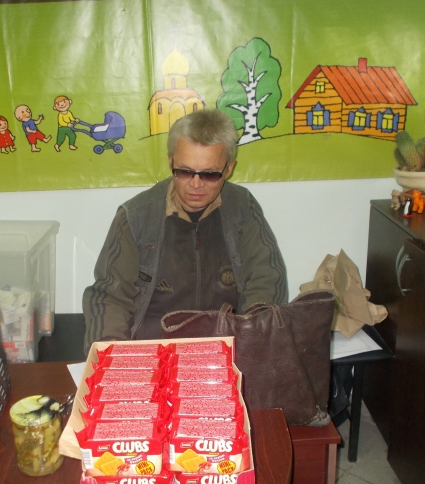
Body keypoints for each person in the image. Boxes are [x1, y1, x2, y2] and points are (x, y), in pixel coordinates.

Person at [82, 109, 288, 353]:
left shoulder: (242, 208)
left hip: (226, 350)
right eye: (185, 171)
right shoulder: (136, 217)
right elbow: (110, 297)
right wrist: (112, 355)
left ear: (229, 168)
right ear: (171, 162)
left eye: (210, 174)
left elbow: (267, 282)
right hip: (153, 351)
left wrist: (251, 343)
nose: (196, 184)